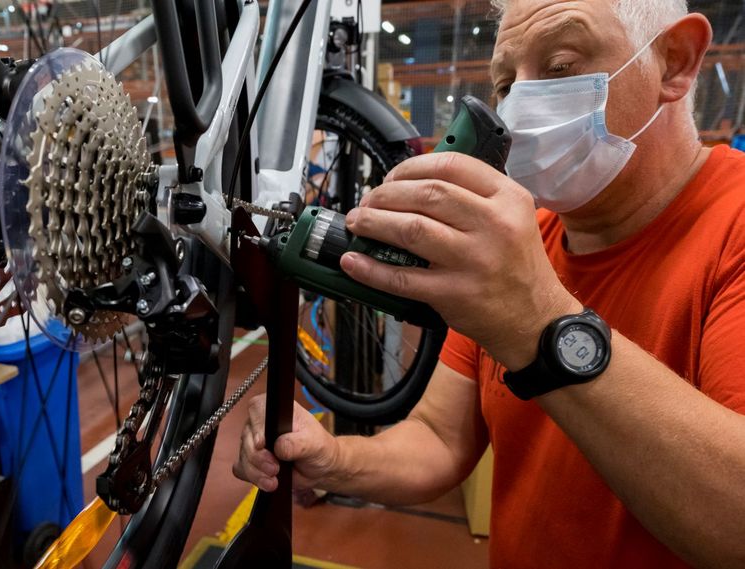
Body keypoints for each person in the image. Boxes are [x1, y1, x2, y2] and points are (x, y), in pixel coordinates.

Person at [234, 1, 745, 567]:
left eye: (558, 65)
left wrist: (534, 322)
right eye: (506, 83)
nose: (519, 106)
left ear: (675, 62)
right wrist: (334, 457)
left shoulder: (734, 227)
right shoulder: (520, 242)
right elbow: (440, 438)